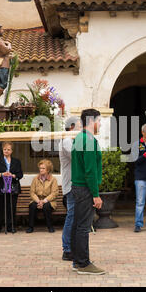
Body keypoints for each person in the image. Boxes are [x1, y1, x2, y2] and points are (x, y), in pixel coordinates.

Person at [70, 108, 105, 275]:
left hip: (77, 187)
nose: (100, 124)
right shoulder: (89, 140)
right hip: (85, 189)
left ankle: (78, 260)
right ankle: (83, 263)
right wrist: (96, 195)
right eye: (99, 121)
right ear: (91, 121)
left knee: (78, 225)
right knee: (84, 227)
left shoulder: (79, 137)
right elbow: (90, 171)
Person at [59, 116, 82, 261]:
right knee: (72, 216)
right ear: (72, 127)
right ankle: (67, 249)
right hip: (71, 186)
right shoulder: (67, 140)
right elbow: (77, 156)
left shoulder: (72, 140)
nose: (81, 129)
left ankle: (72, 247)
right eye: (79, 126)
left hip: (75, 185)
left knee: (75, 217)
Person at [0, 141, 23, 234]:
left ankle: (10, 226)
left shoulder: (16, 161)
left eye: (8, 149)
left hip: (12, 185)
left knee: (11, 207)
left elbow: (20, 174)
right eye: (5, 149)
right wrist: (1, 174)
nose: (6, 151)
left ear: (12, 151)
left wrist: (13, 175)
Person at [27, 159, 59, 233]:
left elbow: (54, 193)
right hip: (37, 200)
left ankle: (50, 226)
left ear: (48, 170)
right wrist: (38, 201)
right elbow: (32, 192)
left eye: (43, 168)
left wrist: (44, 201)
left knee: (46, 206)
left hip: (49, 201)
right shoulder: (35, 179)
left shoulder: (53, 179)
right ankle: (30, 227)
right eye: (40, 168)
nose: (41, 170)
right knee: (32, 206)